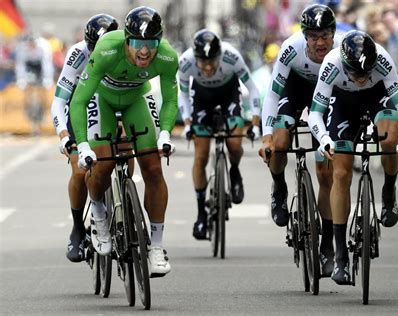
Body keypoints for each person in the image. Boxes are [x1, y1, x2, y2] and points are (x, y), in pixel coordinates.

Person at [70, 6, 178, 277]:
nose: (144, 51)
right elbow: (80, 100)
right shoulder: (106, 49)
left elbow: (171, 99)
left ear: (159, 41)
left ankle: (156, 247)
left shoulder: (167, 57)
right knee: (102, 166)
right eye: (138, 44)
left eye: (150, 44)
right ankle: (99, 215)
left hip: (136, 100)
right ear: (127, 40)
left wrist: (165, 133)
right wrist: (83, 145)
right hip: (102, 100)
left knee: (153, 168)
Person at [308, 30, 398, 285]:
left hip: (378, 98)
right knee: (341, 173)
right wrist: (324, 140)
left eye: (366, 73)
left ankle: (389, 190)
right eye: (356, 74)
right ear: (346, 66)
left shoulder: (383, 60)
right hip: (343, 104)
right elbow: (315, 114)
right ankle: (341, 254)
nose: (362, 78)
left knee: (389, 138)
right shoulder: (332, 63)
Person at [259, 4, 340, 277]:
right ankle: (279, 187)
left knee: (325, 173)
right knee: (280, 143)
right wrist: (267, 136)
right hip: (294, 89)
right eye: (313, 36)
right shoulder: (291, 48)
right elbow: (272, 95)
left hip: (327, 96)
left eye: (325, 35)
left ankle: (327, 243)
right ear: (305, 35)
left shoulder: (343, 51)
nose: (320, 42)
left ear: (334, 34)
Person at [178, 29, 261, 240]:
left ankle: (234, 170)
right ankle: (200, 214)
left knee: (234, 144)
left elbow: (252, 89)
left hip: (228, 95)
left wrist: (255, 122)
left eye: (211, 62)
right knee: (201, 156)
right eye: (202, 62)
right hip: (202, 98)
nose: (207, 67)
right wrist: (187, 122)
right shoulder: (186, 62)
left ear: (219, 56)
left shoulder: (232, 56)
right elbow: (183, 95)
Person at [50, 14, 118, 262]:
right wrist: (64, 136)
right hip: (82, 105)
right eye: (93, 49)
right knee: (80, 172)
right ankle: (79, 227)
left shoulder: (125, 50)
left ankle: (124, 214)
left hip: (113, 104)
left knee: (124, 158)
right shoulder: (78, 54)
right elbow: (59, 101)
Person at [15, 32, 54, 135]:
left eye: (33, 44)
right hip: (29, 67)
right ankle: (29, 116)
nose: (31, 46)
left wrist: (47, 79)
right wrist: (21, 80)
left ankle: (43, 113)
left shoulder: (44, 46)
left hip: (40, 66)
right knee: (28, 93)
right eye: (30, 44)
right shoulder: (22, 48)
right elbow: (20, 66)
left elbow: (47, 64)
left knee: (42, 93)